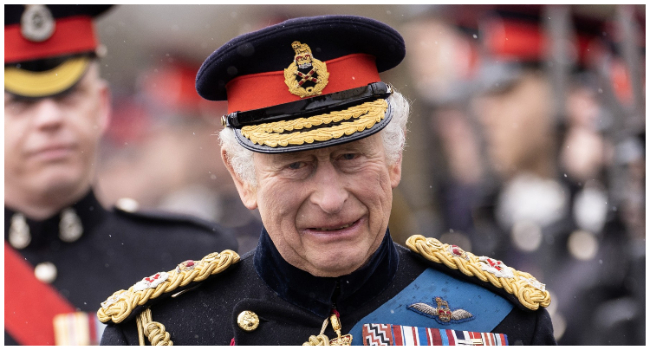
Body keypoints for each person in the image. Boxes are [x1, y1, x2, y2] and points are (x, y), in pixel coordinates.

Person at [98, 15, 555, 346]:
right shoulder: (164, 333)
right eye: (295, 165)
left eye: (352, 157)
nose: (332, 199)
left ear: (394, 160)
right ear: (243, 177)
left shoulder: (502, 321)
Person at [4, 5, 237, 346]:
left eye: (69, 96)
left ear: (101, 104)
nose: (49, 119)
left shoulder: (194, 260)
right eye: (20, 103)